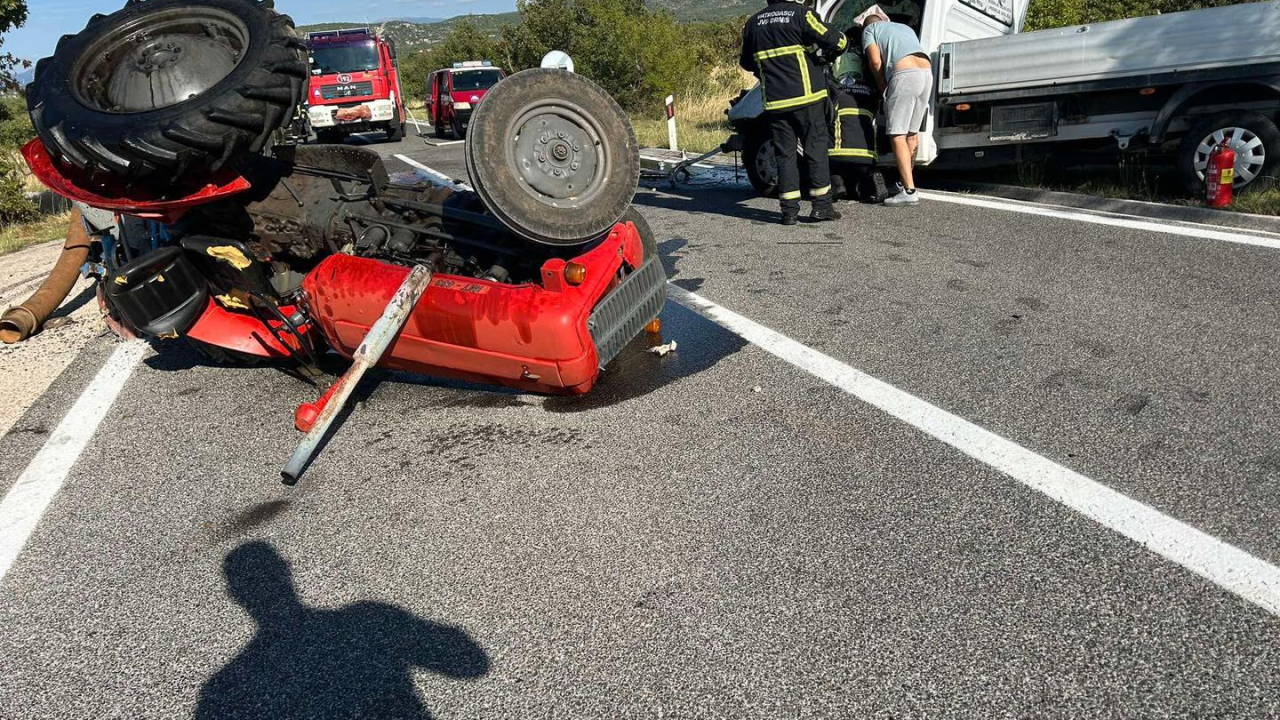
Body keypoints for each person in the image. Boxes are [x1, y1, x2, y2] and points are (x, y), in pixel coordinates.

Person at [740, 0, 850, 225]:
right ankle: (822, 207)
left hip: (775, 102)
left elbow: (746, 62)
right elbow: (836, 41)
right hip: (807, 97)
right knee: (815, 150)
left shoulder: (753, 23)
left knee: (785, 155)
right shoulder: (801, 14)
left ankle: (788, 211)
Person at [856, 5, 932, 207]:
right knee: (912, 133)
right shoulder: (903, 28)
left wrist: (882, 86)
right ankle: (905, 182)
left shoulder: (869, 30)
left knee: (897, 134)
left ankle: (909, 191)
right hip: (926, 73)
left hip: (904, 74)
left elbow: (874, 61)